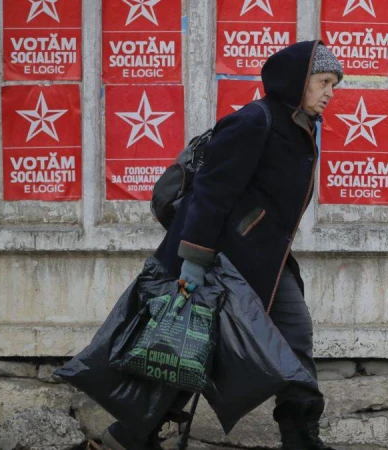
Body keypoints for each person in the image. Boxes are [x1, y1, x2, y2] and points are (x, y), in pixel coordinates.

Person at [102, 40, 342, 450]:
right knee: (193, 346)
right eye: (323, 82)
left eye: (333, 85)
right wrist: (194, 262)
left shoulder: (299, 129)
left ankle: (301, 437)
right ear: (297, 80)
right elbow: (210, 193)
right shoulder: (254, 121)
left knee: (294, 337)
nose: (330, 93)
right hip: (222, 260)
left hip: (266, 264)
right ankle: (130, 435)